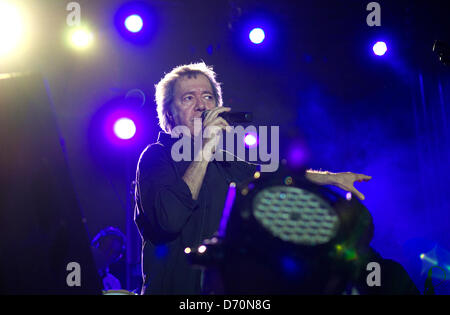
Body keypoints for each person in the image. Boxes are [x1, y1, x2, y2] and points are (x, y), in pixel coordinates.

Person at [134, 62, 372, 295]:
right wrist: (206, 147)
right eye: (188, 98)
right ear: (168, 113)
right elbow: (169, 220)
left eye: (208, 97)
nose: (201, 106)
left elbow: (274, 179)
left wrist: (332, 178)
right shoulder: (156, 156)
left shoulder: (227, 162)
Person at [91, 227, 126, 291]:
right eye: (106, 248)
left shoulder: (114, 283)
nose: (107, 254)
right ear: (97, 245)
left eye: (113, 252)